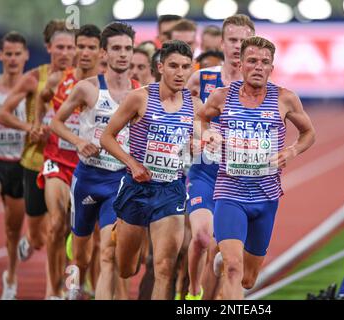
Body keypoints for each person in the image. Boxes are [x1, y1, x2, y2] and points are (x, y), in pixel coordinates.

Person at [198, 36, 315, 299]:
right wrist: (208, 135)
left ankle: (220, 260)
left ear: (272, 67)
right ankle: (225, 264)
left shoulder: (285, 99)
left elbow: (309, 133)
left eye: (265, 62)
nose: (258, 67)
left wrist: (292, 150)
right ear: (241, 64)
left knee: (248, 279)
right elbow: (201, 118)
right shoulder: (221, 97)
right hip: (230, 194)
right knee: (233, 269)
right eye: (252, 61)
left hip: (266, 197)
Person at [100, 40, 200, 300]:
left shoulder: (194, 105)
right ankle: (119, 233)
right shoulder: (140, 97)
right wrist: (133, 164)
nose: (180, 73)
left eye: (186, 67)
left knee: (164, 268)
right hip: (137, 188)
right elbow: (107, 137)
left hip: (171, 190)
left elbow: (202, 141)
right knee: (126, 268)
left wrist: (201, 143)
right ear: (160, 67)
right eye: (174, 66)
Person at [50, 22, 139, 300]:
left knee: (108, 252)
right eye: (116, 49)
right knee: (81, 256)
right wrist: (78, 142)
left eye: (127, 48)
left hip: (119, 180)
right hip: (87, 178)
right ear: (104, 53)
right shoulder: (87, 89)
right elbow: (56, 123)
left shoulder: (141, 93)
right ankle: (73, 287)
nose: (123, 54)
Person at [0, 21, 76, 299]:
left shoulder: (81, 80)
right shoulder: (35, 77)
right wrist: (29, 127)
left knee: (62, 228)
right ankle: (27, 244)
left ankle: (57, 291)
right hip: (34, 160)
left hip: (66, 162)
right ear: (49, 48)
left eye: (70, 47)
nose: (66, 53)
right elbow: (4, 113)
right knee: (39, 237)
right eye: (60, 47)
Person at [185, 14, 255, 300]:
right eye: (233, 40)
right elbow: (186, 113)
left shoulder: (262, 87)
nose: (238, 47)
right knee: (202, 237)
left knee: (238, 269)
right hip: (205, 171)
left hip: (239, 179)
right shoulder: (202, 78)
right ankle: (193, 290)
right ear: (222, 43)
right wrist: (195, 135)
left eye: (244, 41)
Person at [35, 24, 101, 300]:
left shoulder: (104, 85)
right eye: (78, 46)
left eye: (88, 47)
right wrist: (38, 125)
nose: (81, 52)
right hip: (56, 162)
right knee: (56, 224)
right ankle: (53, 290)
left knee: (90, 234)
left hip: (90, 168)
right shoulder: (57, 80)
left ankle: (81, 282)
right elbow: (41, 100)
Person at [0, 31, 29, 300]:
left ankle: (11, 274)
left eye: (17, 53)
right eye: (7, 53)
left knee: (12, 227)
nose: (12, 58)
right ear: (1, 55)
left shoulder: (31, 88)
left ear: (25, 56)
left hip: (18, 163)